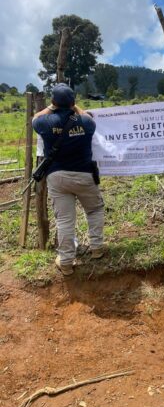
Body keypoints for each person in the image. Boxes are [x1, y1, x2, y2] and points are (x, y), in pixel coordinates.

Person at [32, 83, 105, 276]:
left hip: (57, 177)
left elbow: (35, 119)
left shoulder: (46, 122)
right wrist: (75, 107)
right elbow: (89, 118)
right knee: (95, 209)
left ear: (54, 102)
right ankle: (97, 249)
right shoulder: (86, 123)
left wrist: (51, 106)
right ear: (73, 102)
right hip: (84, 175)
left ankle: (65, 262)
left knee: (64, 220)